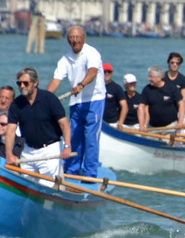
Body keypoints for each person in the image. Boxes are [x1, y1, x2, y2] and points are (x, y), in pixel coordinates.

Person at [45, 26, 105, 177]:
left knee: (91, 138)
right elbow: (56, 81)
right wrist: (43, 99)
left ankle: (90, 174)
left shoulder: (92, 53)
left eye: (77, 37)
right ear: (68, 40)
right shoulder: (65, 59)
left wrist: (81, 85)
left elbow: (92, 72)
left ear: (83, 38)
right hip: (76, 102)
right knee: (74, 137)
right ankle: (71, 171)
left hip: (94, 100)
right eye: (71, 37)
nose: (75, 40)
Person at [5, 68, 71, 180]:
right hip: (28, 150)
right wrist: (9, 154)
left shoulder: (49, 99)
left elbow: (64, 125)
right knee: (27, 186)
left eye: (25, 83)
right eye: (19, 83)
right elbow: (10, 131)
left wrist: (67, 146)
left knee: (49, 185)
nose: (22, 86)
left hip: (49, 150)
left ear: (35, 83)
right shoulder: (16, 104)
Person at [100, 63, 128, 127]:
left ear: (112, 73)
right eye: (104, 71)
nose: (106, 73)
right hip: (98, 121)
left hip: (112, 123)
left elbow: (124, 106)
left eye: (109, 71)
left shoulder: (117, 88)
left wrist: (120, 123)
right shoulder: (96, 87)